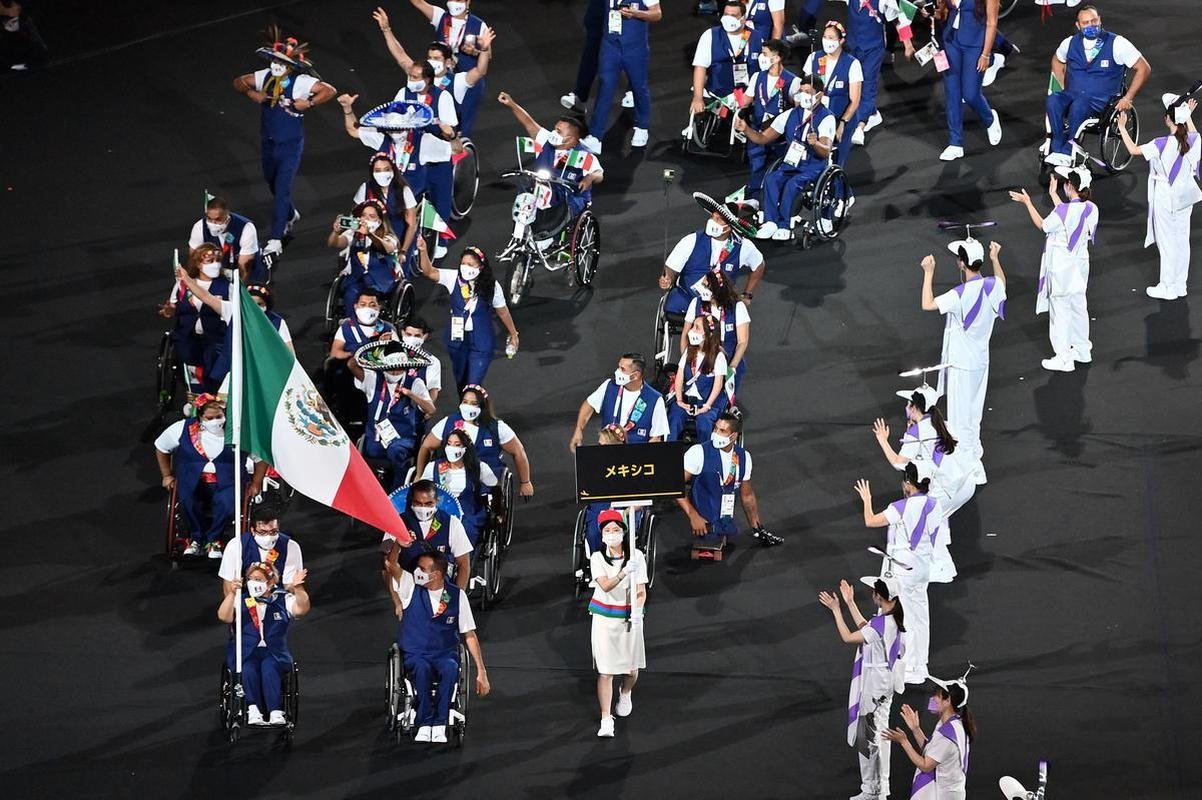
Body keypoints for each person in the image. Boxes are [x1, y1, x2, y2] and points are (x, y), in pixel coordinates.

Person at [232, 26, 336, 256]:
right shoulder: (265, 76)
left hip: (290, 145)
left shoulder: (301, 82)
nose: (276, 66)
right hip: (268, 141)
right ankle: (290, 213)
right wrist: (252, 94)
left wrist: (308, 103)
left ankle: (277, 238)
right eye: (273, 61)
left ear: (291, 66)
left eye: (281, 62)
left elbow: (329, 90)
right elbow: (239, 82)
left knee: (281, 189)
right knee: (271, 181)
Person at [337, 64, 459, 248]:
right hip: (383, 189)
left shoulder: (423, 141)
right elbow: (353, 131)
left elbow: (457, 150)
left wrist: (452, 135)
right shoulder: (381, 138)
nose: (395, 133)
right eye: (392, 129)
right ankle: (350, 241)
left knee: (424, 201)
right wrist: (347, 109)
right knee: (361, 203)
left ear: (409, 126)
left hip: (409, 189)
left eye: (400, 129)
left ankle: (420, 246)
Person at [919, 239, 1006, 479]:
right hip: (980, 362)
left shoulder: (959, 294)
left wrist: (929, 273)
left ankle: (970, 469)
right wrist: (996, 259)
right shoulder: (993, 285)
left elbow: (927, 304)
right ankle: (973, 457)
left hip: (961, 365)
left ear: (962, 263)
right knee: (973, 415)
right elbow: (1002, 284)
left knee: (959, 420)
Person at [386, 550, 490, 743]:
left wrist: (481, 672)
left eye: (422, 569)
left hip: (445, 653)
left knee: (451, 668)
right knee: (422, 669)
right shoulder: (411, 587)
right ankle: (424, 722)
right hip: (417, 653)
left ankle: (440, 722)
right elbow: (392, 566)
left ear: (436, 574)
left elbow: (469, 634)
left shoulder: (456, 596)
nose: (417, 571)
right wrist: (398, 545)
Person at [854, 463, 945, 684]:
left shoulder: (902, 507)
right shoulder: (936, 505)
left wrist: (866, 500)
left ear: (907, 483)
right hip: (923, 567)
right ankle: (920, 664)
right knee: (921, 616)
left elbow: (870, 521)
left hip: (904, 568)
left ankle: (911, 666)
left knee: (906, 618)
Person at [817, 576, 906, 800]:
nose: (871, 593)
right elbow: (867, 630)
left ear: (879, 596)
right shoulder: (891, 619)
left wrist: (836, 610)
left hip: (875, 684)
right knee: (874, 735)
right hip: (883, 681)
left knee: (870, 737)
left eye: (873, 591)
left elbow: (849, 637)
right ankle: (875, 788)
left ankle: (876, 790)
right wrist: (850, 602)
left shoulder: (881, 623)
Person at [873, 385, 970, 583]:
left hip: (946, 490)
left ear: (915, 407)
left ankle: (941, 567)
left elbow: (898, 463)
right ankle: (942, 563)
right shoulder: (943, 424)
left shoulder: (917, 431)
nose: (906, 408)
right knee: (935, 516)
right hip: (965, 484)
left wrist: (883, 440)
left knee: (925, 517)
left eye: (908, 404)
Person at [1009, 169, 1096, 372]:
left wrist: (1028, 202)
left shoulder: (1062, 212)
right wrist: (1053, 195)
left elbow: (1043, 225)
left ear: (1070, 186)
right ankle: (1083, 351)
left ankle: (1063, 358)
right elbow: (1068, 216)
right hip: (1080, 266)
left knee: (1060, 312)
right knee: (1078, 307)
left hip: (1061, 269)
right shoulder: (1092, 208)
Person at [1044, 4, 1150, 168]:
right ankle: (1058, 146)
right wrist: (1063, 85)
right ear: (1078, 26)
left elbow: (1143, 68)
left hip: (1101, 102)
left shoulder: (1117, 44)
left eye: (1094, 21)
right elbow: (1057, 60)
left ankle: (1068, 150)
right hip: (1073, 94)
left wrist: (1128, 98)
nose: (1091, 26)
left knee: (1079, 105)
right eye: (1086, 23)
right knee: (1053, 100)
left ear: (1100, 20)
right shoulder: (1070, 43)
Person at [1117, 96, 1200, 300]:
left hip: (1165, 195)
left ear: (1167, 119)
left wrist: (1122, 127)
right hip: (1185, 196)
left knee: (1167, 242)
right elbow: (1194, 133)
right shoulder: (1195, 140)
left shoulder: (1160, 144)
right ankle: (1180, 285)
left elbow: (1133, 150)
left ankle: (1167, 286)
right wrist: (1187, 115)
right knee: (1181, 241)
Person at [736, 74, 836, 241]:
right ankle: (770, 222)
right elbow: (763, 138)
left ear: (819, 94)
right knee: (771, 179)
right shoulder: (790, 115)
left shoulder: (827, 118)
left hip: (813, 167)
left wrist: (816, 143)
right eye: (802, 91)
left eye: (808, 92)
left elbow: (826, 151)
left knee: (792, 184)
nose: (804, 95)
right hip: (791, 164)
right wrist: (746, 129)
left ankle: (784, 225)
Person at [414, 240, 519, 393]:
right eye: (464, 263)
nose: (466, 267)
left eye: (471, 264)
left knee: (473, 385)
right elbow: (429, 272)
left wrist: (513, 333)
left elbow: (502, 311)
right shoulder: (453, 278)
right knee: (461, 380)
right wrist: (423, 250)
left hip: (481, 342)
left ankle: (474, 410)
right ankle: (467, 407)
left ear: (481, 267)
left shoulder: (492, 286)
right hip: (457, 341)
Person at [373, 8, 495, 138]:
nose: (432, 61)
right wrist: (386, 30)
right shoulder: (419, 74)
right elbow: (401, 56)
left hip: (445, 139)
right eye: (430, 57)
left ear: (448, 62)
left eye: (437, 58)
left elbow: (480, 71)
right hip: (416, 138)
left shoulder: (458, 81)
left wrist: (484, 49)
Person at [219, 561, 310, 726]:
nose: (254, 582)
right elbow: (224, 617)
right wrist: (231, 594)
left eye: (259, 579)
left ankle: (275, 711)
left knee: (269, 667)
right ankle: (253, 709)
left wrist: (298, 588)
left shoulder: (283, 600)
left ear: (271, 582)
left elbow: (302, 609)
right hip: (246, 652)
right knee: (248, 669)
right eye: (251, 578)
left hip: (273, 652)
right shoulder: (241, 600)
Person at [497, 91, 604, 229]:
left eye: (559, 132)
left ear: (572, 139)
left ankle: (545, 235)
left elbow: (599, 173)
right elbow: (529, 123)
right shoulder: (546, 141)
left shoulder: (583, 155)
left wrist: (590, 178)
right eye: (555, 129)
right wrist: (511, 104)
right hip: (542, 192)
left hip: (567, 200)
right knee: (524, 194)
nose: (553, 133)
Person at [677, 412, 781, 552]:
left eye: (722, 431)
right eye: (715, 428)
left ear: (733, 436)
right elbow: (674, 486)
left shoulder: (744, 457)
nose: (715, 433)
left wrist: (758, 529)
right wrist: (692, 514)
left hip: (726, 522)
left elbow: (747, 496)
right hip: (702, 521)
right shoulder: (698, 453)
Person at [588, 510, 648, 738]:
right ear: (602, 535)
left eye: (616, 530)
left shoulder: (637, 557)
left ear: (624, 532)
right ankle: (606, 718)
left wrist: (638, 609)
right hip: (604, 619)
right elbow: (605, 586)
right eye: (607, 530)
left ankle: (625, 692)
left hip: (629, 619)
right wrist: (624, 572)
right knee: (605, 670)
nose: (612, 534)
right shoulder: (596, 558)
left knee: (631, 669)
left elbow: (641, 590)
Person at [416, 384, 533, 497]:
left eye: (474, 403)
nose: (468, 406)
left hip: (485, 477)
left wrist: (525, 482)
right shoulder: (448, 422)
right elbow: (426, 446)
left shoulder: (496, 427)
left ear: (482, 406)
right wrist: (419, 474)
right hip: (452, 473)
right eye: (465, 402)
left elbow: (518, 451)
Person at [155, 395, 234, 559]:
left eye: (219, 416)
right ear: (200, 418)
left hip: (226, 481)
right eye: (210, 418)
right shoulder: (181, 428)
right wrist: (166, 475)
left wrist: (256, 483)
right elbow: (161, 447)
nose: (216, 421)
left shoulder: (235, 429)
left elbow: (258, 456)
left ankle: (214, 540)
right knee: (188, 500)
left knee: (226, 503)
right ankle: (196, 538)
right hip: (193, 479)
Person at [660, 193, 765, 315]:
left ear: (729, 227)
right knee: (672, 306)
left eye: (718, 219)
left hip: (722, 303)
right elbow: (672, 267)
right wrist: (668, 278)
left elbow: (759, 265)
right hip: (687, 297)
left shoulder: (744, 246)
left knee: (738, 316)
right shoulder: (691, 240)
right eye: (712, 217)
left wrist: (747, 294)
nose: (712, 221)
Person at [579, 0, 662, 153]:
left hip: (635, 48)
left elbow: (657, 14)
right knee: (605, 84)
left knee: (639, 86)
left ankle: (642, 127)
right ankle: (595, 136)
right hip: (610, 44)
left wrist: (638, 14)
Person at [883, 670, 977, 799]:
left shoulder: (948, 734)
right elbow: (932, 751)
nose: (932, 699)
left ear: (947, 700)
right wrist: (916, 729)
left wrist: (904, 742)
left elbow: (926, 766)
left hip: (943, 795)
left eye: (936, 696)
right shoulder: (953, 724)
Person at [408, 0, 491, 136]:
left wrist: (475, 52)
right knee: (440, 114)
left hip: (469, 80)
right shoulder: (440, 16)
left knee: (463, 123)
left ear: (467, 2)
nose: (453, 2)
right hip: (443, 78)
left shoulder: (479, 25)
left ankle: (460, 149)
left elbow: (489, 54)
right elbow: (418, 3)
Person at [839, 0, 914, 147]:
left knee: (868, 83)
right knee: (852, 84)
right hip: (852, 47)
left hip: (873, 48)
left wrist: (908, 44)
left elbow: (899, 20)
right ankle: (872, 112)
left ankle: (859, 126)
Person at [359, 344, 436, 488]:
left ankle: (398, 491)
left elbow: (431, 410)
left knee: (396, 451)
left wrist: (411, 395)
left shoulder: (415, 382)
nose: (395, 372)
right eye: (391, 368)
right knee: (372, 452)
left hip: (404, 439)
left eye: (399, 368)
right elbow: (352, 365)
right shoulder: (373, 379)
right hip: (377, 436)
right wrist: (374, 346)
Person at [159, 244, 229, 396]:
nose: (215, 264)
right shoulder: (182, 285)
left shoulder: (227, 287)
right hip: (187, 336)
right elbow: (173, 307)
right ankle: (196, 397)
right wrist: (170, 310)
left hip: (215, 336)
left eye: (218, 260)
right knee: (190, 363)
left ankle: (213, 396)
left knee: (214, 363)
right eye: (210, 261)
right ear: (198, 264)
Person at [936, 0, 1002, 162]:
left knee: (971, 94)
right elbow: (944, 13)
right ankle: (955, 143)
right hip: (951, 41)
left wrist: (986, 54)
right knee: (952, 93)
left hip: (975, 44)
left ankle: (990, 118)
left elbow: (992, 23)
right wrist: (933, 13)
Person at [738, 38, 801, 200]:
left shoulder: (792, 81)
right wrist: (733, 98)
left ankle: (777, 198)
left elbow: (798, 110)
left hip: (779, 135)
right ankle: (754, 198)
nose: (761, 57)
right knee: (756, 165)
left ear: (777, 58)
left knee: (779, 169)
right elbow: (745, 101)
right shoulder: (757, 77)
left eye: (765, 54)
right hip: (758, 129)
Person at [383, 480, 473, 589]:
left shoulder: (452, 523)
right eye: (418, 503)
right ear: (411, 502)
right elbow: (385, 560)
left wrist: (458, 597)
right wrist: (397, 598)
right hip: (409, 589)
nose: (423, 508)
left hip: (442, 589)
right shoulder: (397, 523)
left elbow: (464, 563)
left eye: (428, 503)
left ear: (437, 501)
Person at [572, 353, 669, 450]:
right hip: (606, 452)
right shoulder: (609, 386)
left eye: (622, 369)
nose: (617, 372)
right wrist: (578, 429)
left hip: (635, 457)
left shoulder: (654, 399)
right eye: (618, 367)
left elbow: (656, 438)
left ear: (635, 375)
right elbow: (589, 404)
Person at [420, 431, 497, 546]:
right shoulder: (434, 467)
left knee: (465, 534)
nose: (452, 448)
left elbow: (494, 486)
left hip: (467, 514)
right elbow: (422, 488)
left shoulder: (478, 467)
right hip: (440, 512)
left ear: (465, 448)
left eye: (457, 445)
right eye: (449, 444)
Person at [803, 22, 862, 174]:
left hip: (839, 119)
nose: (827, 41)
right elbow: (805, 88)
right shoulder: (814, 58)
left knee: (836, 163)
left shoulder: (852, 64)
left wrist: (842, 123)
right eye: (824, 37)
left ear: (841, 40)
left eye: (831, 38)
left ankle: (841, 195)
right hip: (816, 117)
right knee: (814, 158)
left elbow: (855, 100)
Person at [327, 200, 401, 319]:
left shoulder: (388, 237)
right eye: (363, 215)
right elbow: (334, 243)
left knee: (368, 299)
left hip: (380, 282)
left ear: (379, 221)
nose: (366, 219)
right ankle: (351, 323)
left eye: (371, 216)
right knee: (352, 292)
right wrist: (335, 233)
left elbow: (387, 248)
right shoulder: (354, 234)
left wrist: (370, 234)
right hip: (358, 279)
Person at [689, 1, 764, 117]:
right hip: (718, 96)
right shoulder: (710, 36)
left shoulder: (757, 38)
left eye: (733, 16)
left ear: (743, 19)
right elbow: (700, 67)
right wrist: (697, 98)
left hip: (746, 97)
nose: (728, 18)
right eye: (726, 14)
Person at [685, 271, 750, 399]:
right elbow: (685, 335)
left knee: (723, 403)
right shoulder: (696, 303)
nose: (701, 289)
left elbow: (742, 341)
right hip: (701, 362)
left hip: (728, 360)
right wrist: (687, 361)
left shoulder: (737, 307)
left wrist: (732, 366)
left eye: (705, 286)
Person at [353, 154, 419, 279]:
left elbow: (411, 225)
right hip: (370, 238)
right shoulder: (365, 189)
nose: (382, 173)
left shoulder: (404, 191)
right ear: (372, 172)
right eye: (378, 170)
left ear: (393, 170)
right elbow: (355, 216)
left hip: (398, 239)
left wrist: (403, 251)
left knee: (396, 277)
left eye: (386, 169)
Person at [219, 501, 304, 594]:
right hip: (246, 598)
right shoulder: (236, 545)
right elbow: (229, 584)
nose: (268, 537)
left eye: (273, 532)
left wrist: (296, 588)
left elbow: (289, 585)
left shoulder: (290, 547)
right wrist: (234, 606)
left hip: (276, 598)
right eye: (263, 532)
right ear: (252, 530)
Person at [667, 316, 729, 442]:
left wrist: (706, 406)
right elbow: (679, 376)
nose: (692, 331)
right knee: (674, 417)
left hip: (709, 401)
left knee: (704, 423)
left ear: (708, 334)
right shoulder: (689, 351)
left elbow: (718, 385)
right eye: (693, 326)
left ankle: (704, 455)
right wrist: (679, 400)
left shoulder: (718, 356)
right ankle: (669, 454)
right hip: (688, 400)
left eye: (697, 328)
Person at [188, 196, 267, 283]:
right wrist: (192, 283)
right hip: (218, 274)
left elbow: (244, 268)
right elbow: (194, 260)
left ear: (227, 216)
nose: (213, 224)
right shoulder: (199, 227)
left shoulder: (246, 228)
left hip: (247, 274)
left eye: (218, 219)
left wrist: (239, 292)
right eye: (209, 219)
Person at [330, 290, 395, 365]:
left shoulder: (387, 328)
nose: (367, 309)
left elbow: (398, 355)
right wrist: (354, 354)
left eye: (372, 305)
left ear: (379, 307)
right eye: (363, 305)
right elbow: (335, 353)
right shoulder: (346, 327)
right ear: (355, 306)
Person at [398, 316, 444, 406]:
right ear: (403, 333)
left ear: (424, 336)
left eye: (417, 336)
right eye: (409, 334)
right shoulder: (392, 354)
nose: (412, 338)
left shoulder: (432, 361)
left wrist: (427, 408)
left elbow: (433, 389)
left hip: (415, 408)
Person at [247, 283, 294, 353]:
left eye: (259, 304)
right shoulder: (240, 319)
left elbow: (289, 350)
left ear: (267, 303)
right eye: (252, 304)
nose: (256, 308)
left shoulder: (277, 322)